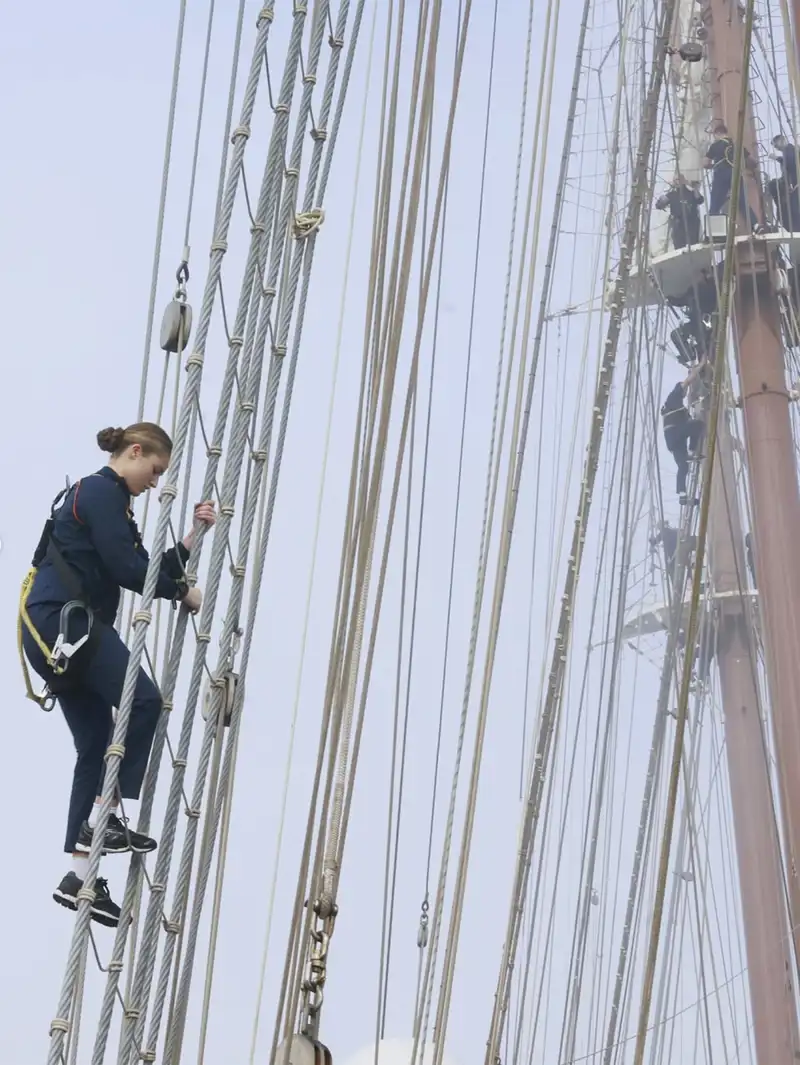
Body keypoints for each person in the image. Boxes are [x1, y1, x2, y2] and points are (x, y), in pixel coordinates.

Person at [19, 422, 216, 927]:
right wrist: (184, 594)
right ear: (135, 452)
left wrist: (193, 537)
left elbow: (146, 566)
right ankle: (104, 820)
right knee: (145, 701)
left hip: (54, 632)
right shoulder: (100, 492)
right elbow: (130, 572)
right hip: (68, 623)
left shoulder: (110, 504)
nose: (154, 483)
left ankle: (79, 876)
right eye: (154, 471)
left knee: (96, 742)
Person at [661, 364, 705, 506]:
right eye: (684, 391)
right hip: (675, 433)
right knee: (698, 425)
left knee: (683, 467)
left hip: (673, 440)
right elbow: (688, 381)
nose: (685, 392)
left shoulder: (679, 408)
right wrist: (701, 364)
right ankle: (693, 450)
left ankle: (683, 496)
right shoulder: (674, 396)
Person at [703, 121, 759, 230]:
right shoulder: (736, 146)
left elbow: (705, 163)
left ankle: (712, 231)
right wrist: (750, 167)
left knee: (715, 204)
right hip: (735, 173)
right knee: (742, 201)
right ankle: (755, 225)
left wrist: (712, 165)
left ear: (717, 134)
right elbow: (753, 161)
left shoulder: (715, 145)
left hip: (721, 175)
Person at [655, 176, 704, 248]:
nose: (677, 182)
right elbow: (659, 205)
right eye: (675, 180)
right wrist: (661, 201)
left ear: (684, 181)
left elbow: (700, 200)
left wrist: (695, 188)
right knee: (679, 246)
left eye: (679, 180)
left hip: (691, 224)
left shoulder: (691, 193)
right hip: (678, 224)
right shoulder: (671, 195)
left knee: (693, 245)